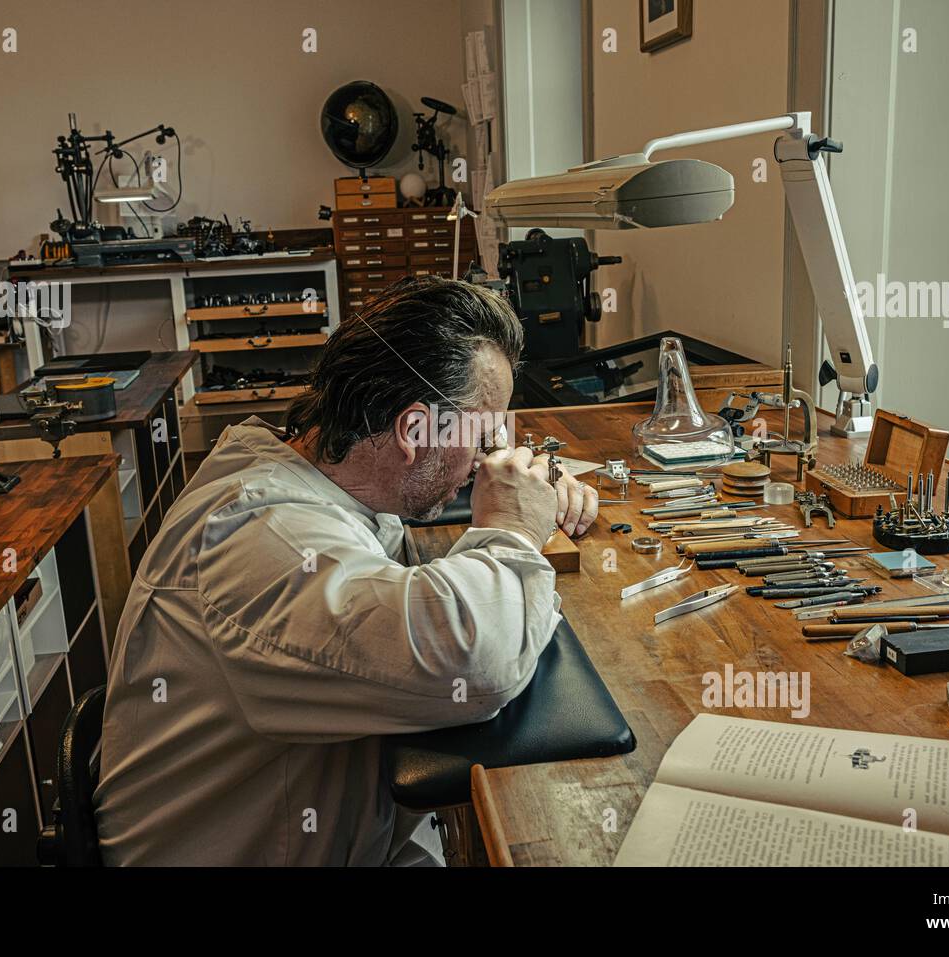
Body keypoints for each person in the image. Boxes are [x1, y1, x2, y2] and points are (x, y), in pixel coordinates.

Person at [94, 277, 599, 865]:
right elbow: (474, 661)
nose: (486, 459)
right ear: (413, 430)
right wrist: (512, 528)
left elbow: (393, 602)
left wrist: (526, 510)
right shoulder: (261, 540)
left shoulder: (322, 480)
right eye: (482, 436)